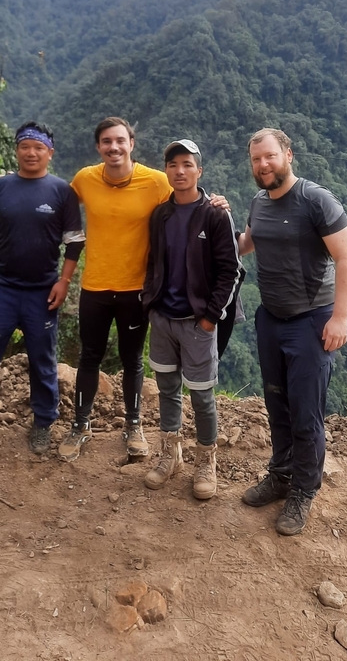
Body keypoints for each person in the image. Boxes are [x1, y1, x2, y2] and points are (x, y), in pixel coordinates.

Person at [238, 128, 347, 535]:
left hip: (311, 321)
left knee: (306, 414)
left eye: (270, 156)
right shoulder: (259, 202)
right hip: (270, 319)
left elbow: (346, 257)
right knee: (277, 406)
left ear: (288, 155)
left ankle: (304, 490)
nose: (263, 165)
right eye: (256, 159)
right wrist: (211, 221)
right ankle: (281, 476)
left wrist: (340, 318)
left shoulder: (316, 200)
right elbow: (247, 242)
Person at [0, 122, 85, 455]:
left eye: (38, 148)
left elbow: (74, 242)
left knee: (43, 359)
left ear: (50, 153)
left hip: (43, 291)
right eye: (25, 146)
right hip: (3, 288)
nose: (31, 153)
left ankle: (43, 421)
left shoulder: (62, 192)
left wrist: (64, 281)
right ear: (16, 150)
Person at [58, 117, 172, 461]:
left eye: (120, 140)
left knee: (132, 359)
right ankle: (80, 425)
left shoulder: (156, 182)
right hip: (94, 287)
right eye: (107, 141)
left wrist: (215, 203)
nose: (114, 147)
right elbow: (57, 203)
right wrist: (14, 185)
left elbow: (187, 203)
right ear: (98, 147)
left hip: (135, 289)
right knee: (89, 357)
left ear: (131, 144)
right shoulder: (85, 179)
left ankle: (134, 425)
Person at [141, 140, 241, 499]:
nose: (179, 171)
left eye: (187, 164)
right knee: (167, 390)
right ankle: (171, 454)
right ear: (166, 171)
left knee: (201, 397)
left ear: (199, 171)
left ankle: (205, 460)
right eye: (173, 165)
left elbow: (230, 270)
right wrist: (150, 304)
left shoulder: (215, 214)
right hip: (163, 319)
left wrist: (211, 318)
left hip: (197, 322)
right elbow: (153, 262)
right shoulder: (161, 215)